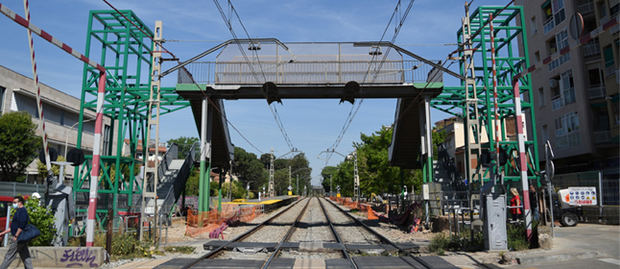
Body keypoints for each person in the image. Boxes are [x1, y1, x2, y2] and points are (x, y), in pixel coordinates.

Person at [0, 196, 33, 269]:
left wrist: (16, 236)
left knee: (9, 256)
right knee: (26, 257)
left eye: (15, 202)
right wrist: (2, 233)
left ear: (20, 203)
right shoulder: (18, 212)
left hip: (19, 238)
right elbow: (12, 227)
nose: (13, 204)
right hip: (21, 238)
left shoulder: (22, 212)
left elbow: (21, 226)